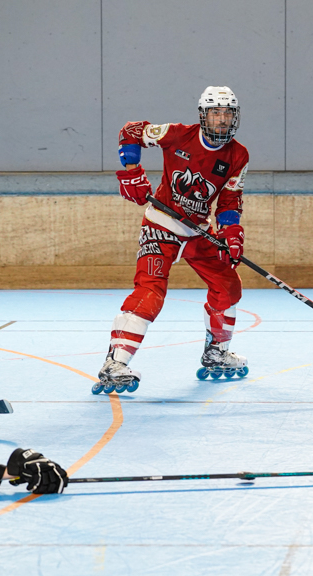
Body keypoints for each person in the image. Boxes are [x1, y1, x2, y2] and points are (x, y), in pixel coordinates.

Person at [93, 85, 250, 393]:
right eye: (215, 113)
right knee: (150, 291)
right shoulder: (177, 135)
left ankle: (216, 353)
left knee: (228, 285)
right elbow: (131, 131)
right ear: (203, 116)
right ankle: (115, 363)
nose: (222, 120)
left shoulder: (238, 155)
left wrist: (231, 233)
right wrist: (132, 171)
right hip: (161, 226)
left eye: (227, 113)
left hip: (198, 231)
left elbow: (230, 200)